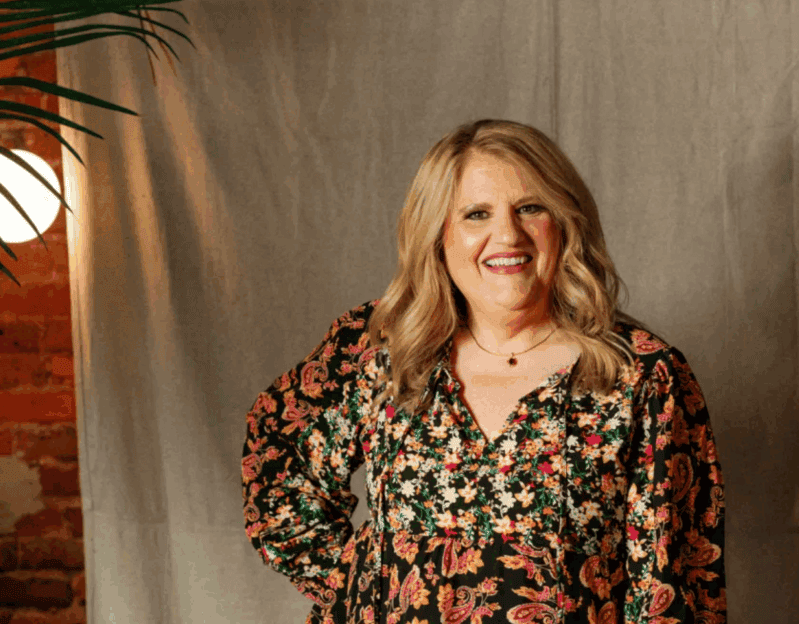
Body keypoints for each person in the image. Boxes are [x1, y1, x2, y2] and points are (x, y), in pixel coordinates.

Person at [241, 119, 726, 623]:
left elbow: (674, 587)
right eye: (476, 214)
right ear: (437, 234)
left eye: (530, 208)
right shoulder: (382, 349)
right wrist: (359, 587)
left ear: (565, 222)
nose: (508, 235)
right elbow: (277, 459)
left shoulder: (640, 376)